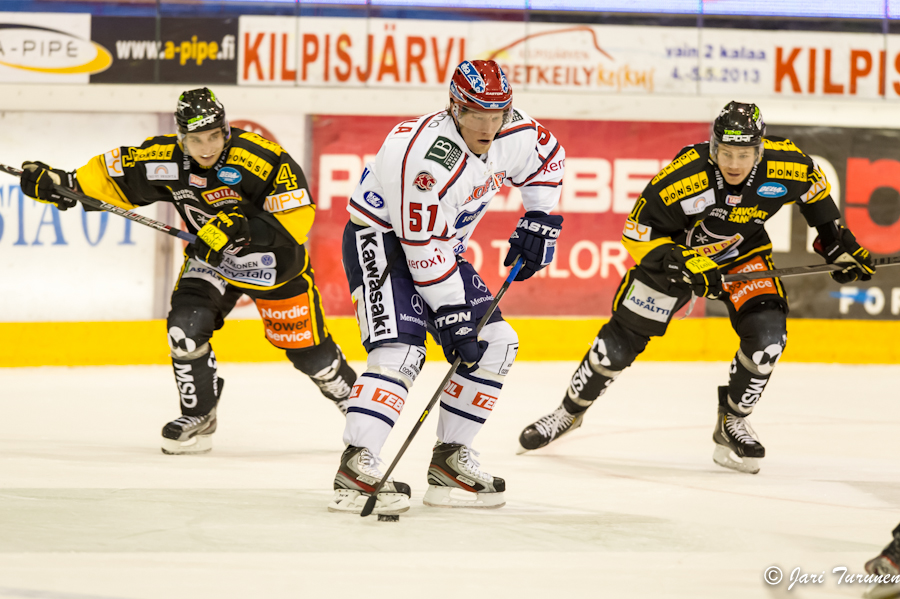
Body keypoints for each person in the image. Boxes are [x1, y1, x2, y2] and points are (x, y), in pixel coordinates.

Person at [518, 101, 875, 475]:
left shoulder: (788, 163)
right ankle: (569, 412)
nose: (734, 164)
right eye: (726, 153)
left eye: (744, 154)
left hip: (743, 259)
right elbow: (636, 233)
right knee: (615, 348)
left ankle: (732, 421)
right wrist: (683, 260)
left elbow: (814, 191)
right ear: (713, 146)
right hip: (675, 262)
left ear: (760, 149)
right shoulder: (685, 175)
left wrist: (835, 240)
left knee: (768, 338)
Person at [20, 87, 357, 455]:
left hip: (272, 267)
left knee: (311, 356)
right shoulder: (162, 158)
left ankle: (356, 405)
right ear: (181, 137)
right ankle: (200, 415)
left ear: (226, 129)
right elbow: (109, 177)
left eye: (214, 136)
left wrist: (237, 227)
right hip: (210, 260)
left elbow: (295, 220)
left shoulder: (262, 158)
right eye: (196, 139)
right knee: (184, 328)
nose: (207, 147)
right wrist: (61, 184)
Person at [330, 59, 565, 514]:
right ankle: (356, 466)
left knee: (496, 342)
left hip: (443, 247)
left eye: (497, 114)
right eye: (477, 114)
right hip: (383, 241)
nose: (488, 126)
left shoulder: (514, 132)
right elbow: (420, 247)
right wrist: (452, 315)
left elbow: (549, 157)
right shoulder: (420, 155)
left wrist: (539, 217)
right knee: (401, 352)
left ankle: (450, 460)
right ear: (454, 108)